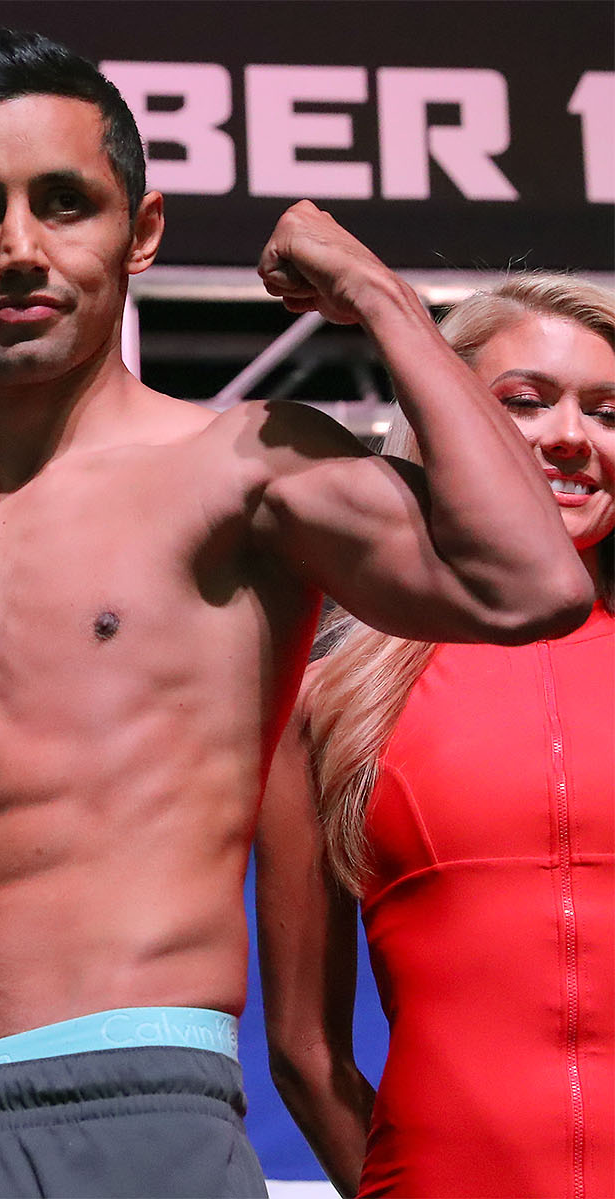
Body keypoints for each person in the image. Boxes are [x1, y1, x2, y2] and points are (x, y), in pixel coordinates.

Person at [0, 27, 591, 1199]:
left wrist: (379, 295)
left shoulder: (241, 467)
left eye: (64, 202)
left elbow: (530, 580)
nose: (20, 248)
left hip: (124, 1098)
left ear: (141, 230)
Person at [258, 276, 614, 1197]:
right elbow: (303, 1048)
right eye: (525, 401)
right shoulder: (331, 703)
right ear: (439, 424)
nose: (572, 435)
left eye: (607, 411)